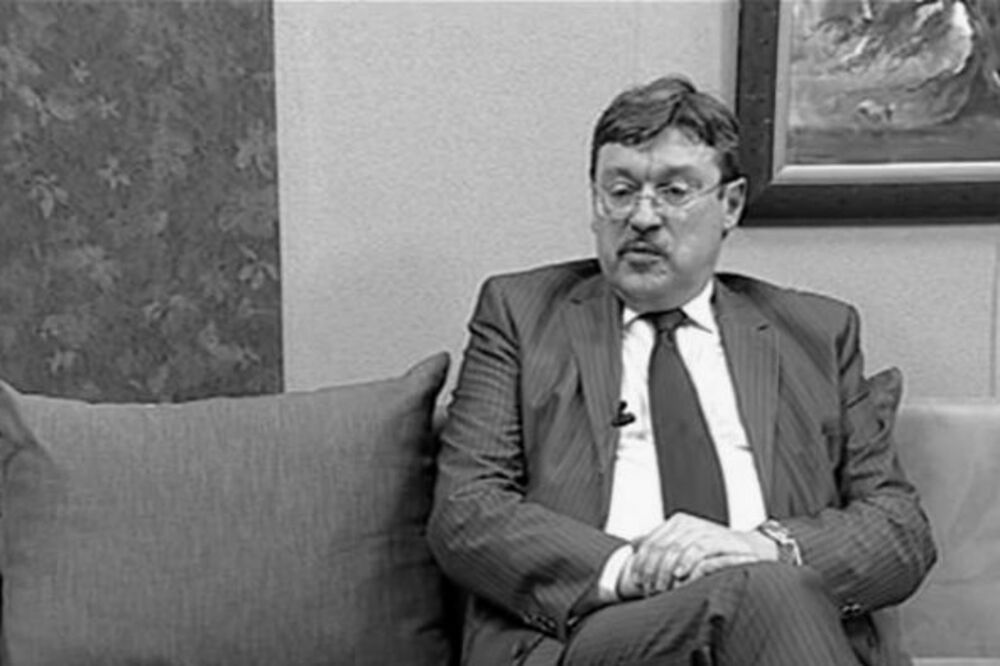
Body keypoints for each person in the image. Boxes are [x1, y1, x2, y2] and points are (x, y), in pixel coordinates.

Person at [427, 75, 935, 666]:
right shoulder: (521, 315)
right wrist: (633, 569)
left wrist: (761, 549)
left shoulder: (815, 333)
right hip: (595, 636)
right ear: (595, 201)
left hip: (776, 625)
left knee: (766, 591)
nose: (642, 217)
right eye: (620, 190)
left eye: (673, 191)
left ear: (730, 205)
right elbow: (467, 510)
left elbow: (898, 531)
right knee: (759, 594)